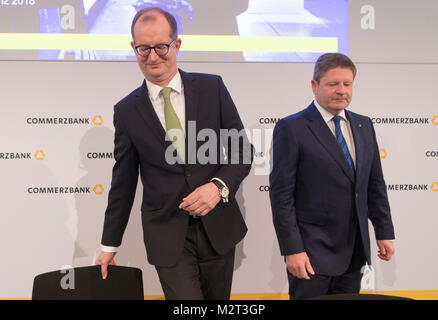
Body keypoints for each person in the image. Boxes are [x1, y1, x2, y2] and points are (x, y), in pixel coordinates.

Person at [95, 7, 252, 300]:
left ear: (177, 45)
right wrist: (108, 246)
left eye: (161, 47)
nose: (152, 56)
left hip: (218, 228)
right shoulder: (127, 111)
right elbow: (123, 182)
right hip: (167, 235)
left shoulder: (211, 87)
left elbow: (241, 149)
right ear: (133, 48)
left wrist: (218, 188)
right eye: (143, 48)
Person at [269, 53, 395, 300]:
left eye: (347, 84)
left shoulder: (363, 125)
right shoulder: (292, 127)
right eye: (332, 84)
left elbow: (374, 185)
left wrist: (384, 231)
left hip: (354, 250)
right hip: (311, 253)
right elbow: (281, 195)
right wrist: (292, 250)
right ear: (314, 85)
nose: (341, 90)